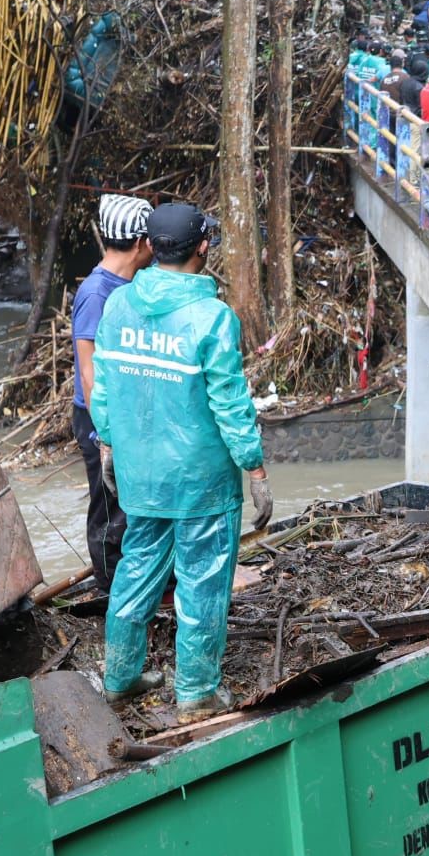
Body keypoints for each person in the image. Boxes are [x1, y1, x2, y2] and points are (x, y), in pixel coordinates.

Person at [91, 203, 273, 723]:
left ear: (151, 246)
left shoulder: (119, 306)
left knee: (136, 569)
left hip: (141, 474)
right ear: (202, 247)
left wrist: (108, 445)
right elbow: (231, 405)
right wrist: (255, 469)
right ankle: (195, 694)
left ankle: (121, 679)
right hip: (201, 483)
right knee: (203, 581)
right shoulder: (212, 318)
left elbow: (104, 388)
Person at [71, 195, 153, 592]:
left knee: (130, 499)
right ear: (139, 244)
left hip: (123, 412)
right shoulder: (96, 294)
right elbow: (89, 372)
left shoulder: (127, 286)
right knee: (109, 506)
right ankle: (109, 584)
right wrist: (105, 437)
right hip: (98, 417)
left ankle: (136, 576)